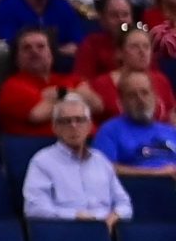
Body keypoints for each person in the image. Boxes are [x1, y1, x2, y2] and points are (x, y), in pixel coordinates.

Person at [23, 93, 131, 223]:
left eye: (79, 120)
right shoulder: (42, 161)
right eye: (66, 121)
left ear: (89, 126)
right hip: (65, 229)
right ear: (55, 127)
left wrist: (116, 215)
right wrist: (74, 216)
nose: (74, 126)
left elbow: (124, 204)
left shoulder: (101, 161)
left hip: (105, 229)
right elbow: (34, 209)